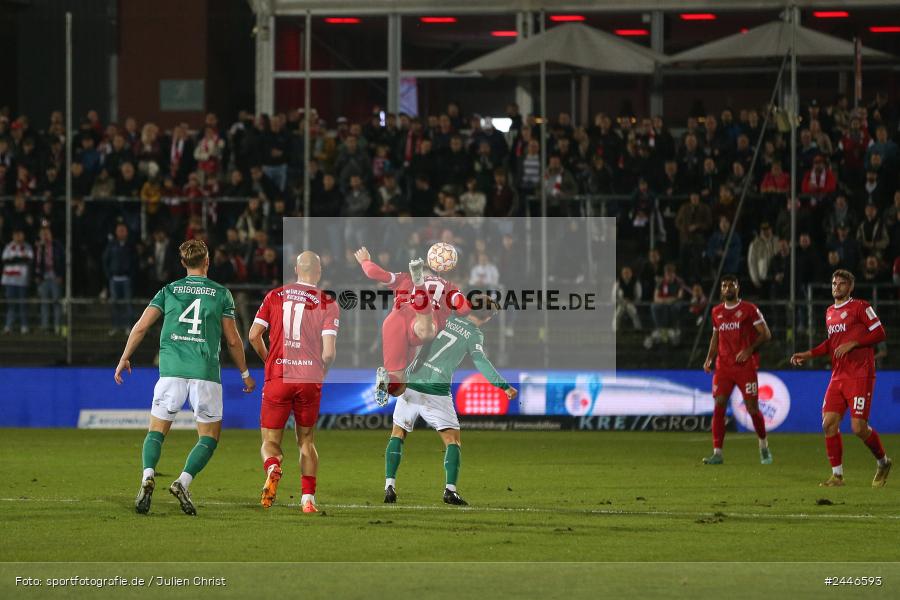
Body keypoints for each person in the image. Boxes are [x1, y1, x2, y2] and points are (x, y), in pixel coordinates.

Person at [115, 240, 255, 515]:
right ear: (208, 261)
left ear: (183, 263)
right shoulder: (221, 294)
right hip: (205, 373)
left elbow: (142, 326)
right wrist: (245, 373)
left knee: (156, 431)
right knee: (209, 438)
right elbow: (233, 341)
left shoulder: (168, 291)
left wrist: (124, 357)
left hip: (171, 371)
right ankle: (183, 481)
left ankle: (146, 477)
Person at [383, 296, 516, 506]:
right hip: (437, 389)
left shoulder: (442, 317)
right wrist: (503, 386)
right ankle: (450, 491)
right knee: (453, 441)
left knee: (398, 434)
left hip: (412, 382)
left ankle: (389, 485)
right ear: (488, 317)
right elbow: (481, 362)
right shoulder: (474, 334)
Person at [248, 251, 339, 514]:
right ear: (318, 272)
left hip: (279, 376)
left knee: (270, 441)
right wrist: (322, 371)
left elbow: (254, 335)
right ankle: (308, 499)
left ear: (296, 270)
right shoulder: (327, 302)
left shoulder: (274, 295)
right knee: (306, 440)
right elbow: (329, 353)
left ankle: (273, 467)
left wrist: (270, 361)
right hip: (309, 378)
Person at [790, 269, 892, 487]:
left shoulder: (861, 307)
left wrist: (854, 343)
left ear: (850, 286)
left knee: (858, 428)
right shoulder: (829, 312)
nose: (836, 286)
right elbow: (831, 344)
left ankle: (883, 462)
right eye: (834, 283)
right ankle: (837, 476)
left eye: (842, 283)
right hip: (838, 376)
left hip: (860, 374)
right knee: (828, 424)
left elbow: (880, 333)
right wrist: (808, 354)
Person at [354, 245, 470, 406]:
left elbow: (373, 273)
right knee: (427, 332)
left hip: (394, 321)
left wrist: (365, 261)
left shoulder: (404, 278)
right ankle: (420, 289)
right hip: (421, 321)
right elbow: (464, 309)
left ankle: (385, 381)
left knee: (397, 386)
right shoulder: (450, 287)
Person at [702, 275, 773, 465]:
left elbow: (766, 334)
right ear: (721, 290)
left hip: (745, 367)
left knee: (752, 408)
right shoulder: (716, 312)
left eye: (731, 285)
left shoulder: (749, 309)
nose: (727, 288)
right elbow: (715, 338)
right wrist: (709, 358)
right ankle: (717, 453)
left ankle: (763, 446)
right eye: (724, 285)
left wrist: (749, 350)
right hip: (723, 367)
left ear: (737, 287)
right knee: (719, 404)